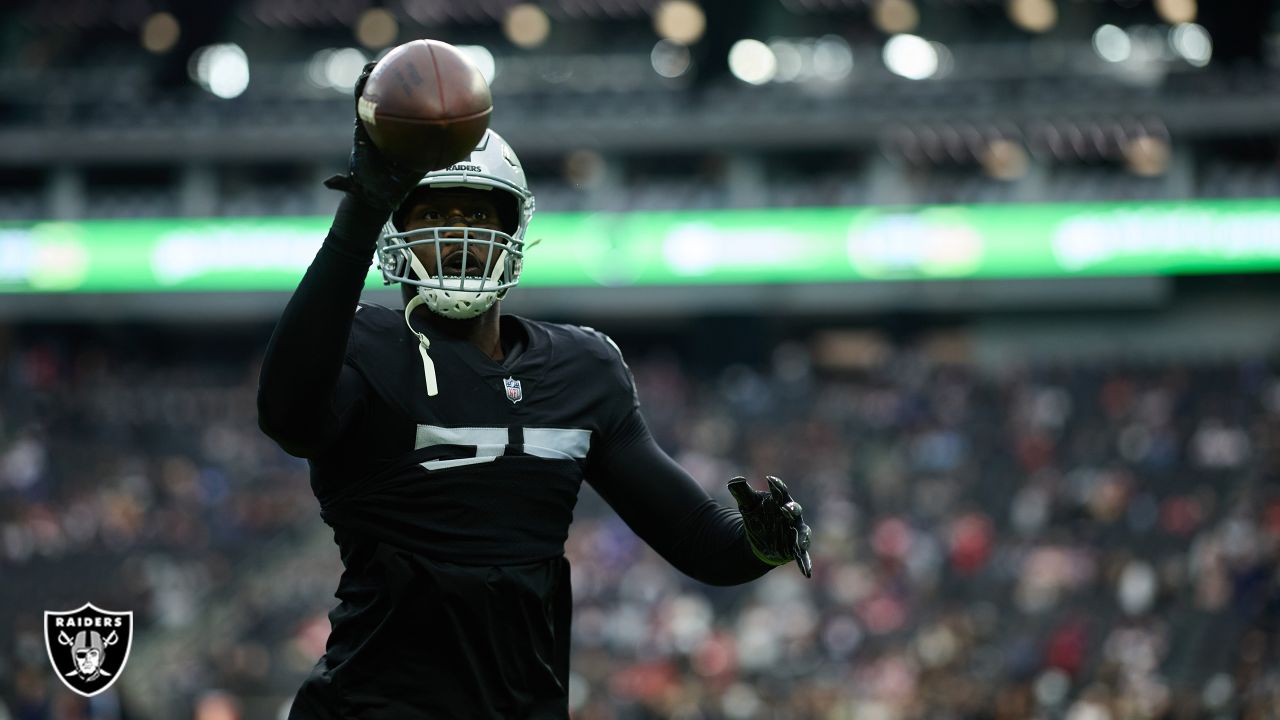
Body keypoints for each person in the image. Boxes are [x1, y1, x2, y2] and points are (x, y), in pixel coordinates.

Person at [257, 63, 813, 720]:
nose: (459, 237)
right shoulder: (361, 348)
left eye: (476, 214)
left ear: (514, 231)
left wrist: (761, 544)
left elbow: (698, 540)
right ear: (394, 230)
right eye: (434, 213)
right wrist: (358, 212)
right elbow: (286, 416)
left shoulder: (582, 368)